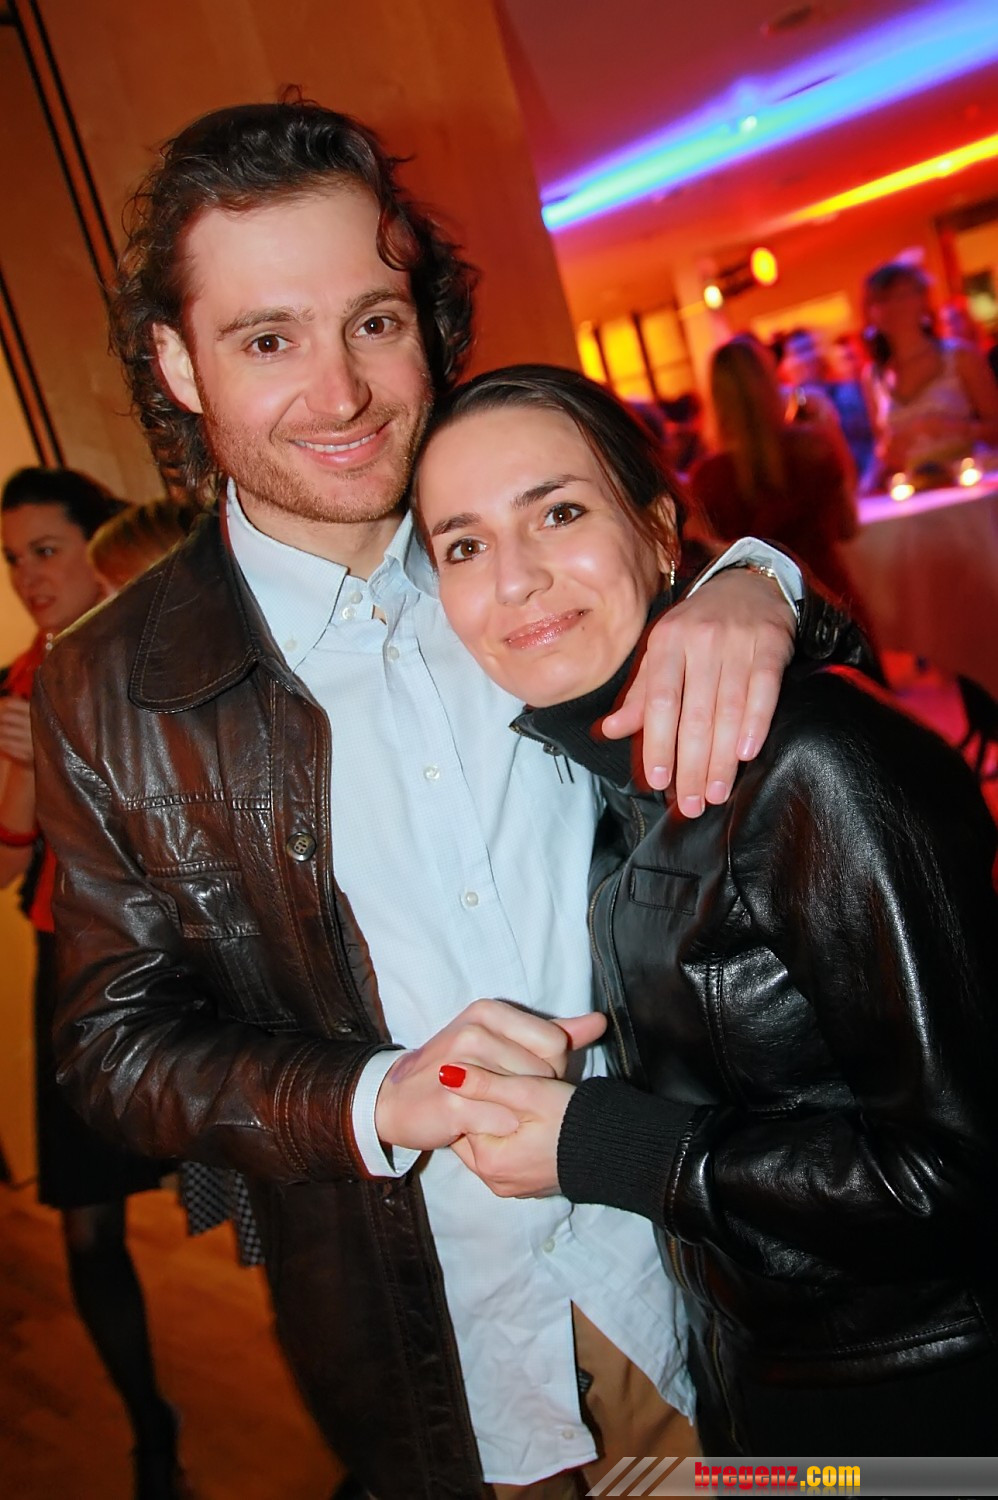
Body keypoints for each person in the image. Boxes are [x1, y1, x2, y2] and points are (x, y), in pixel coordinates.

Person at [31, 101, 858, 1499]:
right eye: (267, 340)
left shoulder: (527, 553)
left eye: (372, 322)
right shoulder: (111, 688)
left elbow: (754, 636)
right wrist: (375, 1096)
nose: (341, 395)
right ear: (177, 361)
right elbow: (113, 1049)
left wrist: (757, 585)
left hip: (699, 1276)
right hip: (435, 1347)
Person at [411, 363, 998, 1458]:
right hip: (754, 1388)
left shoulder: (811, 765)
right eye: (463, 546)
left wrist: (605, 1143)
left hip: (921, 1411)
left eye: (558, 512)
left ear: (656, 528)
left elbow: (962, 1173)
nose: (516, 579)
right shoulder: (600, 781)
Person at [0, 466, 186, 1500]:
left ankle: (360, 1436)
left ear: (97, 543)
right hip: (74, 964)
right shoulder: (16, 684)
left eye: (46, 550)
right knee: (87, 1222)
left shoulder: (159, 651)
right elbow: (5, 861)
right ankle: (150, 1433)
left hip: (188, 960)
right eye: (12, 560)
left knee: (284, 1209)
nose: (29, 577)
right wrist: (28, 770)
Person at [690, 336, 860, 606]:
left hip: (765, 612)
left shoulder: (708, 479)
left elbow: (711, 567)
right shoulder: (813, 449)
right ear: (771, 381)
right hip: (831, 601)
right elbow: (847, 527)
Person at [862, 259, 998, 485]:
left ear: (922, 300)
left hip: (971, 481)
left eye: (903, 296)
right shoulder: (873, 377)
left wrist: (956, 429)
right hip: (916, 490)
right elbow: (885, 451)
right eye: (883, 300)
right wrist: (887, 451)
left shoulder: (959, 356)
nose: (894, 307)